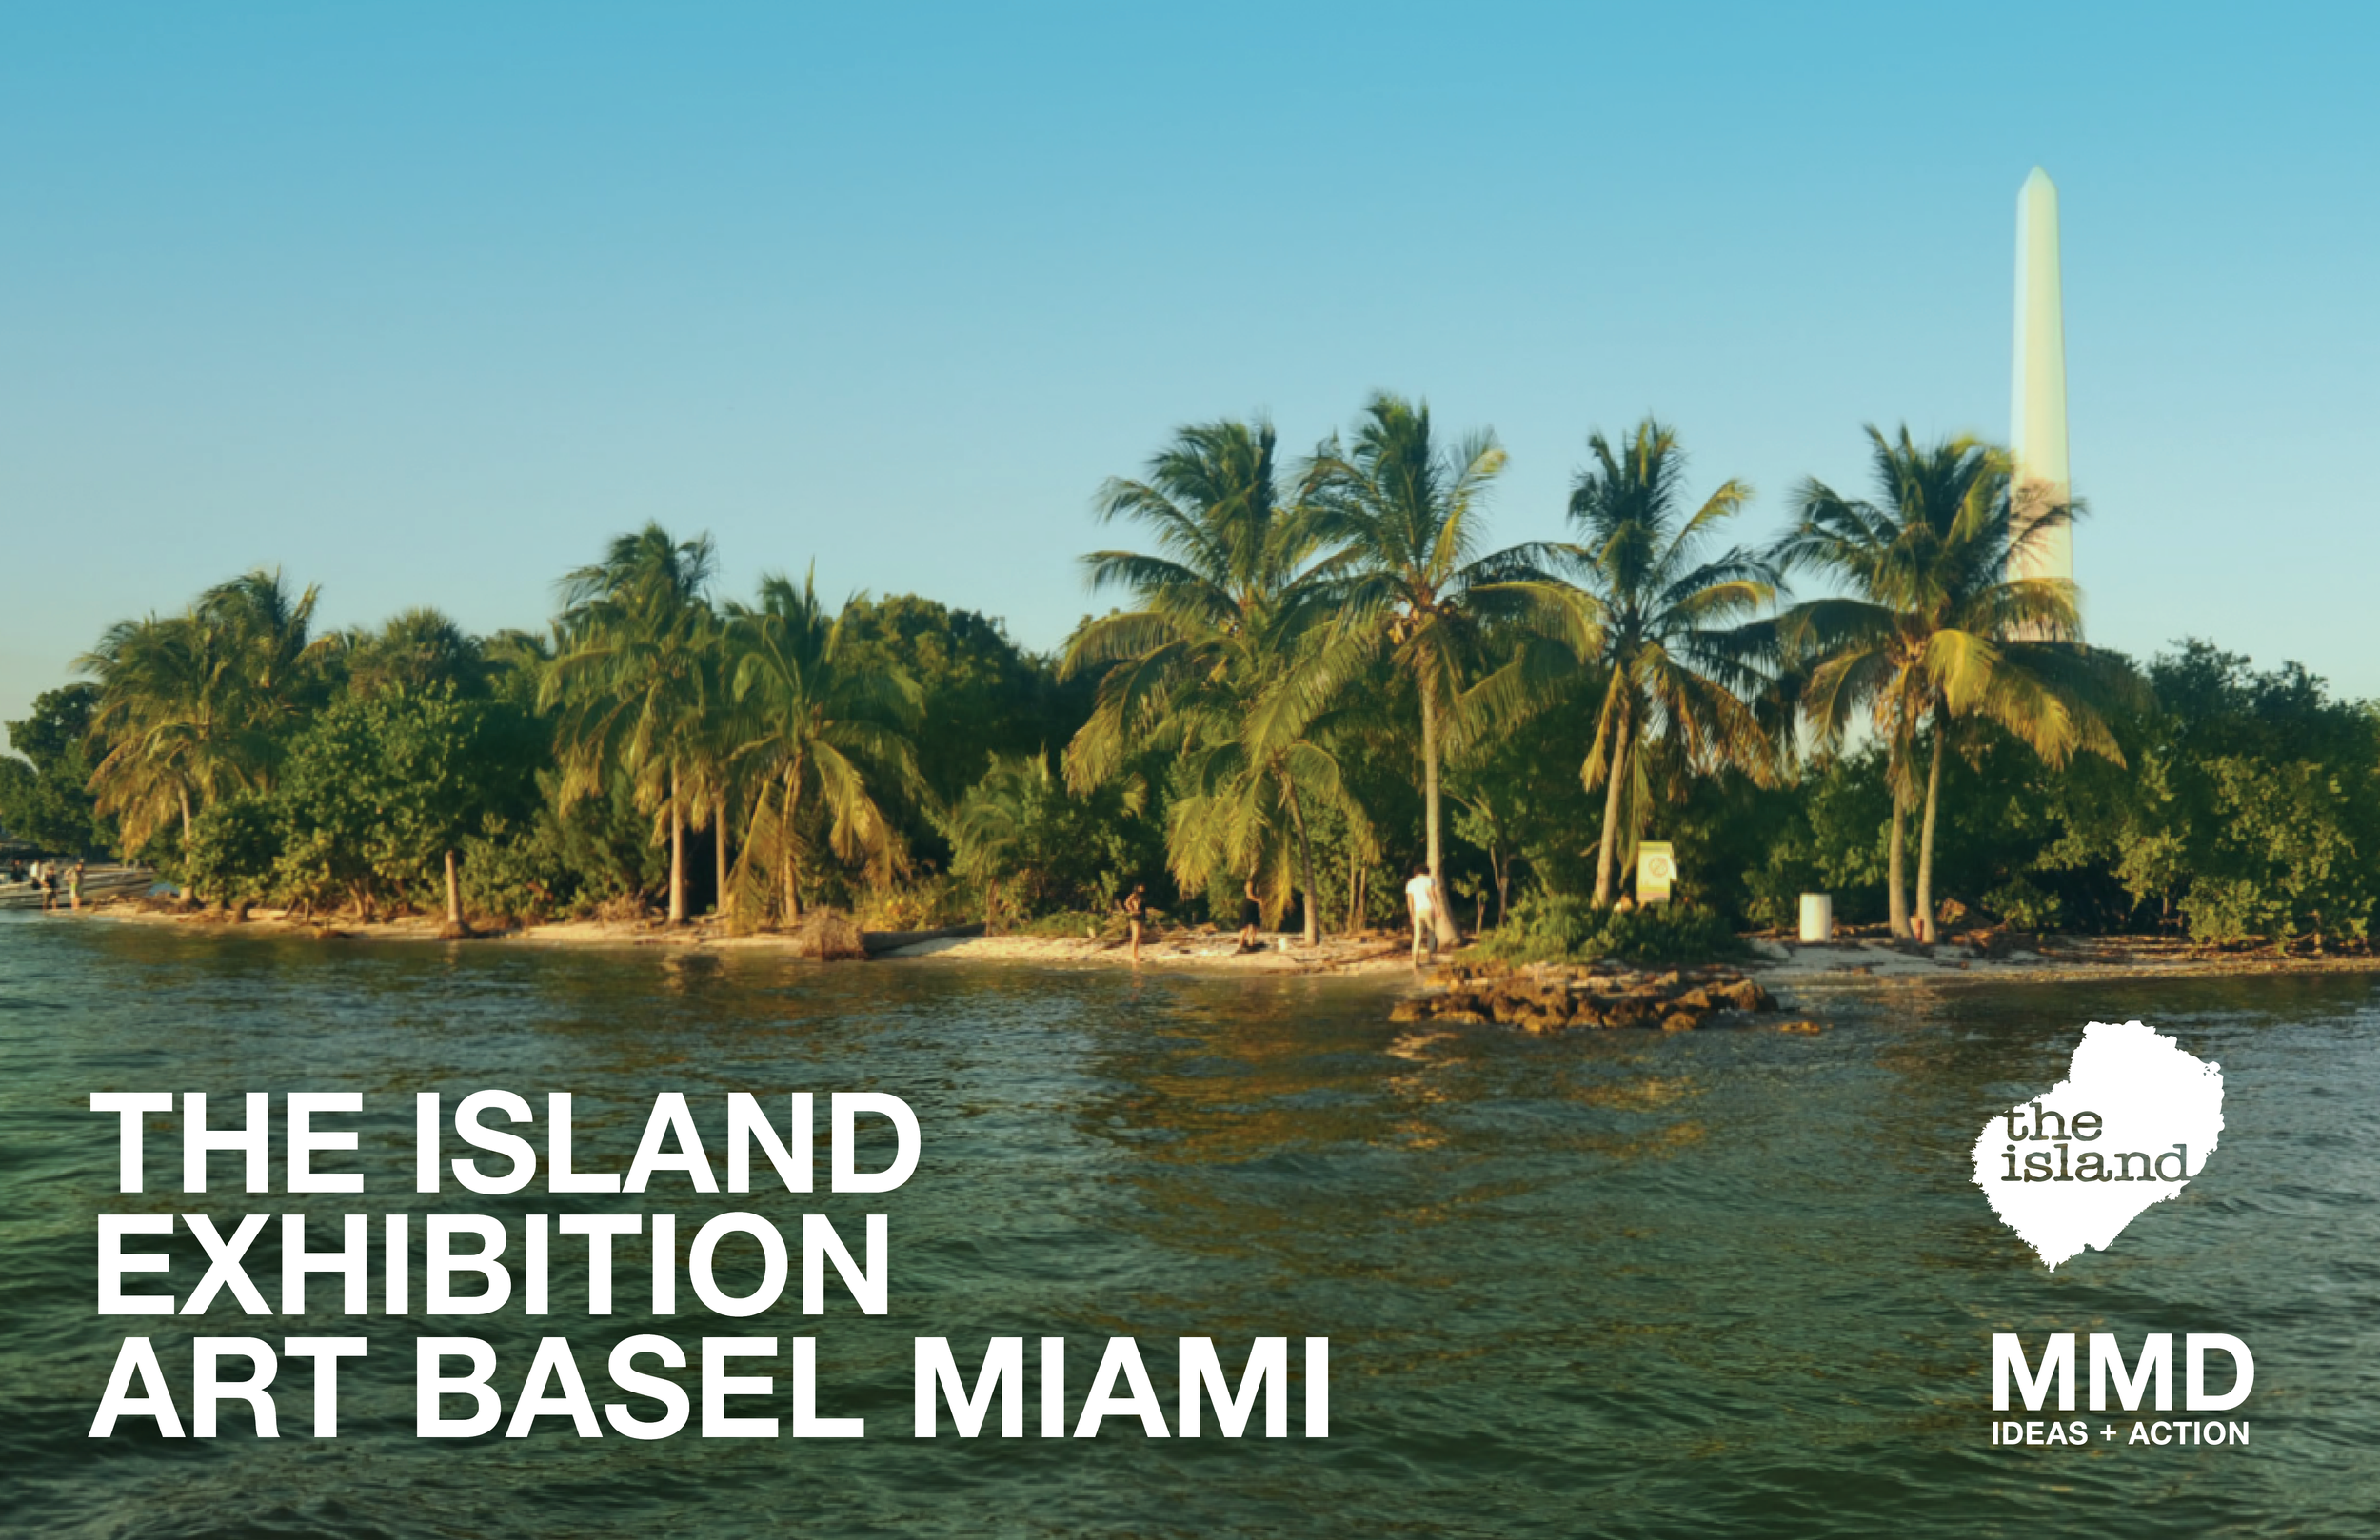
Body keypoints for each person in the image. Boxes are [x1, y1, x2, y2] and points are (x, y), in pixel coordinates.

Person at [1405, 864, 1443, 967]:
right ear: (1426, 871)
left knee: (1417, 935)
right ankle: (1430, 957)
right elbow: (1432, 893)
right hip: (1428, 908)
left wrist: (1411, 914)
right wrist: (1437, 908)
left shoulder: (1410, 883)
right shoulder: (1429, 880)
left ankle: (1414, 960)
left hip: (1417, 911)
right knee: (1431, 932)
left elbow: (1410, 900)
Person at [1121, 883, 1147, 967]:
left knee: (1138, 938)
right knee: (1135, 938)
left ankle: (1136, 955)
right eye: (1141, 886)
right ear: (1137, 887)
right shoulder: (1134, 895)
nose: (1143, 888)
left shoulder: (1142, 896)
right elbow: (1126, 903)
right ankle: (1133, 956)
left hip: (1141, 917)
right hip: (1135, 918)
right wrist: (1132, 911)